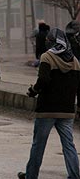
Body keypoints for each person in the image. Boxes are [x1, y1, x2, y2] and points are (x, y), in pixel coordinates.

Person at [18, 28, 80, 179]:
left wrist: (33, 90)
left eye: (48, 40)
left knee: (38, 145)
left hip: (47, 109)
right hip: (67, 110)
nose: (46, 43)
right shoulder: (75, 61)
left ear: (53, 41)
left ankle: (31, 176)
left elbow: (43, 80)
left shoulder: (47, 57)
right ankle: (74, 175)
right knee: (69, 145)